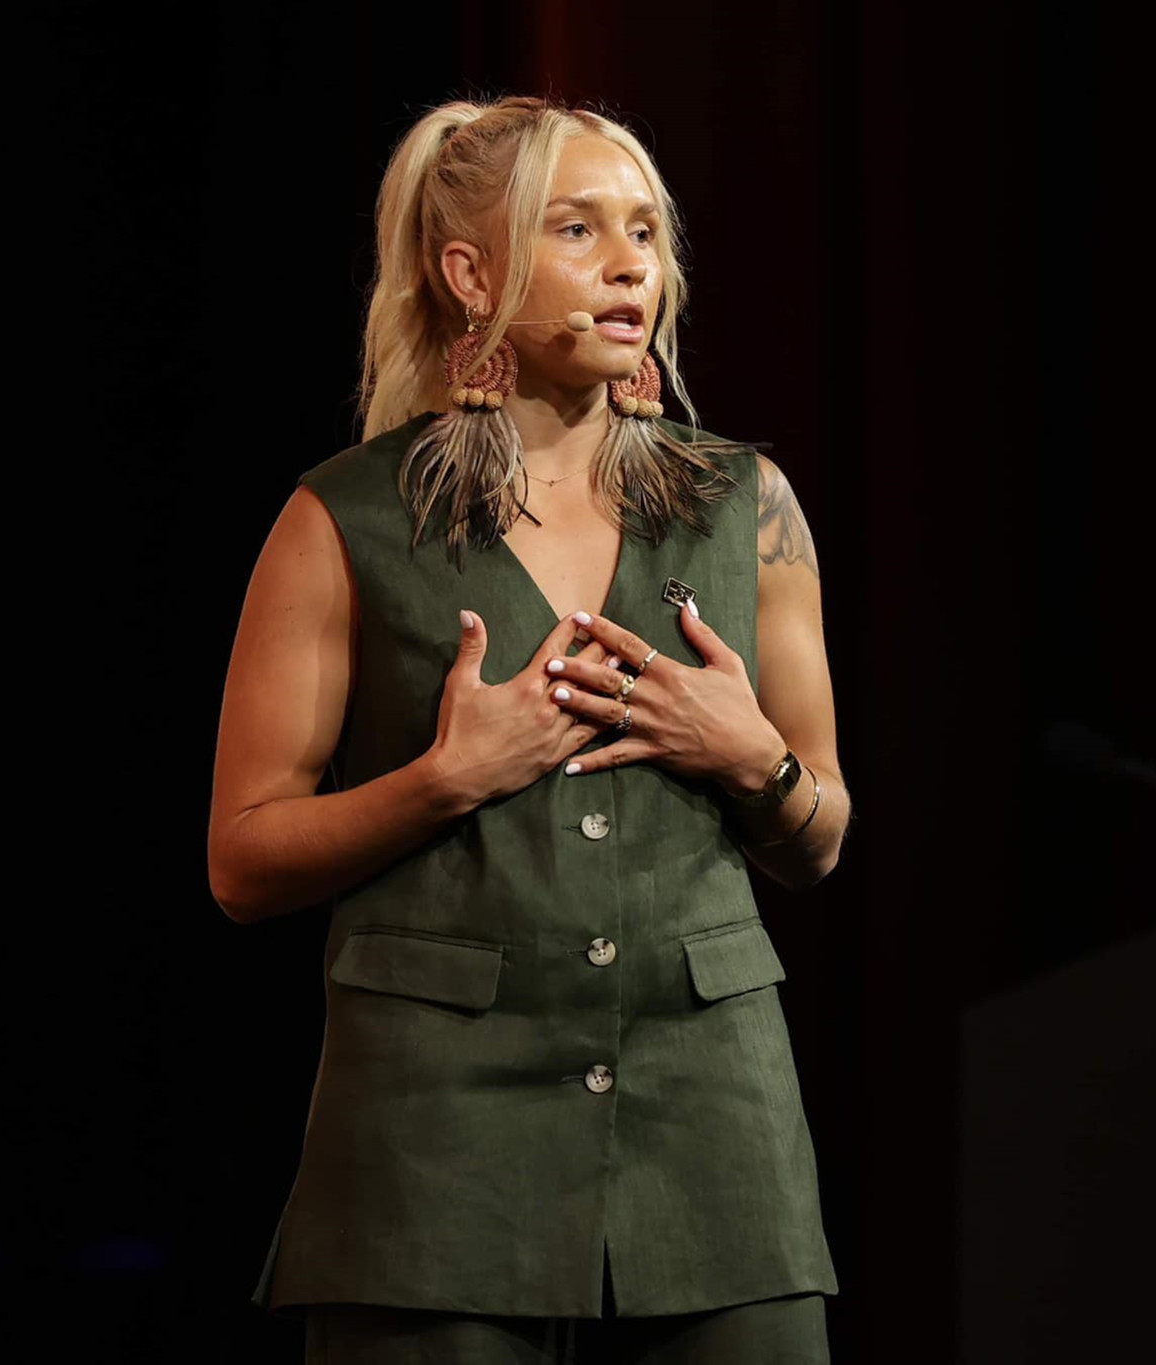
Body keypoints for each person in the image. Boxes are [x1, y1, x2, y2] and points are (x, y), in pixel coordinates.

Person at [210, 95, 851, 1364]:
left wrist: (752, 759)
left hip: (710, 1132)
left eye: (644, 236)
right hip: (433, 1152)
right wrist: (444, 780)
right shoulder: (341, 522)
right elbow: (242, 857)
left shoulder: (749, 507)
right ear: (470, 274)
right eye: (576, 230)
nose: (630, 267)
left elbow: (820, 831)